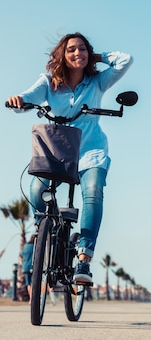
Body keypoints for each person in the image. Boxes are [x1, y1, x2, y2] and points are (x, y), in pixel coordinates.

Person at [6, 32, 133, 284]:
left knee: (94, 190)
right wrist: (19, 101)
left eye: (82, 49)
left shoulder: (97, 81)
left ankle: (84, 260)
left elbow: (125, 60)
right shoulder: (49, 82)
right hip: (56, 151)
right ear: (61, 55)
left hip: (91, 150)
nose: (78, 53)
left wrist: (96, 57)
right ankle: (43, 229)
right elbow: (28, 98)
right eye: (72, 50)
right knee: (35, 188)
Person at [21, 234, 35, 302]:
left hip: (25, 267)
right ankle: (34, 298)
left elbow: (21, 256)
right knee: (34, 283)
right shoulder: (35, 247)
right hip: (33, 267)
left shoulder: (25, 246)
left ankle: (31, 299)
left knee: (28, 284)